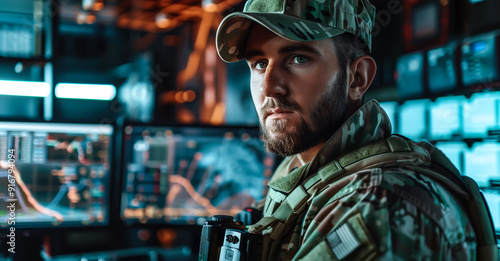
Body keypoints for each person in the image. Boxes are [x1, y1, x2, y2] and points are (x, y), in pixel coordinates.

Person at [215, 0, 497, 260]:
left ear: (357, 78)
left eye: (298, 58)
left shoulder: (377, 207)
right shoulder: (301, 170)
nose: (268, 87)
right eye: (260, 64)